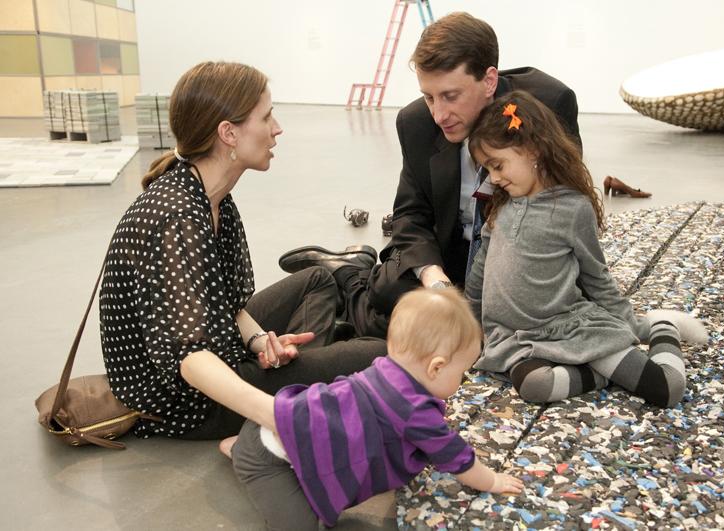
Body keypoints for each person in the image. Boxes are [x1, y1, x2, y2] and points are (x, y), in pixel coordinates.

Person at [99, 61, 385, 440]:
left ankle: (302, 373)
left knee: (317, 279)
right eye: (266, 117)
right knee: (375, 353)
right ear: (228, 133)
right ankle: (299, 391)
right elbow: (190, 360)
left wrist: (259, 341)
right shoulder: (180, 217)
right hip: (187, 401)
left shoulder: (210, 195)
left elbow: (227, 304)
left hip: (218, 349)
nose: (277, 128)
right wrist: (274, 414)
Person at [277, 12, 581, 338]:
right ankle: (352, 277)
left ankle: (357, 284)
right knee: (394, 297)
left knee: (439, 328)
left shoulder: (548, 105)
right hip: (448, 252)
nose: (438, 114)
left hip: (519, 252)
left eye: (451, 96)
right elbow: (410, 215)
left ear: (489, 81)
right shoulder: (416, 122)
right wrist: (436, 281)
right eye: (428, 96)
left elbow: (561, 205)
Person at [464, 91, 708, 408]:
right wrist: (470, 325)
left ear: (532, 150)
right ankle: (602, 373)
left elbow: (597, 277)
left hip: (573, 329)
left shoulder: (573, 208)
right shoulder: (502, 206)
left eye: (498, 166)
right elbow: (481, 272)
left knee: (667, 389)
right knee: (536, 386)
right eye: (488, 169)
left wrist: (630, 325)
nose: (494, 178)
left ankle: (662, 327)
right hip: (515, 341)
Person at [224, 288, 524, 530]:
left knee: (272, 443)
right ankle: (244, 456)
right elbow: (456, 458)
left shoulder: (383, 368)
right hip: (272, 460)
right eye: (462, 373)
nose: (462, 381)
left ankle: (244, 445)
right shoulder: (415, 410)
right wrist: (493, 481)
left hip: (273, 420)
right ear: (436, 367)